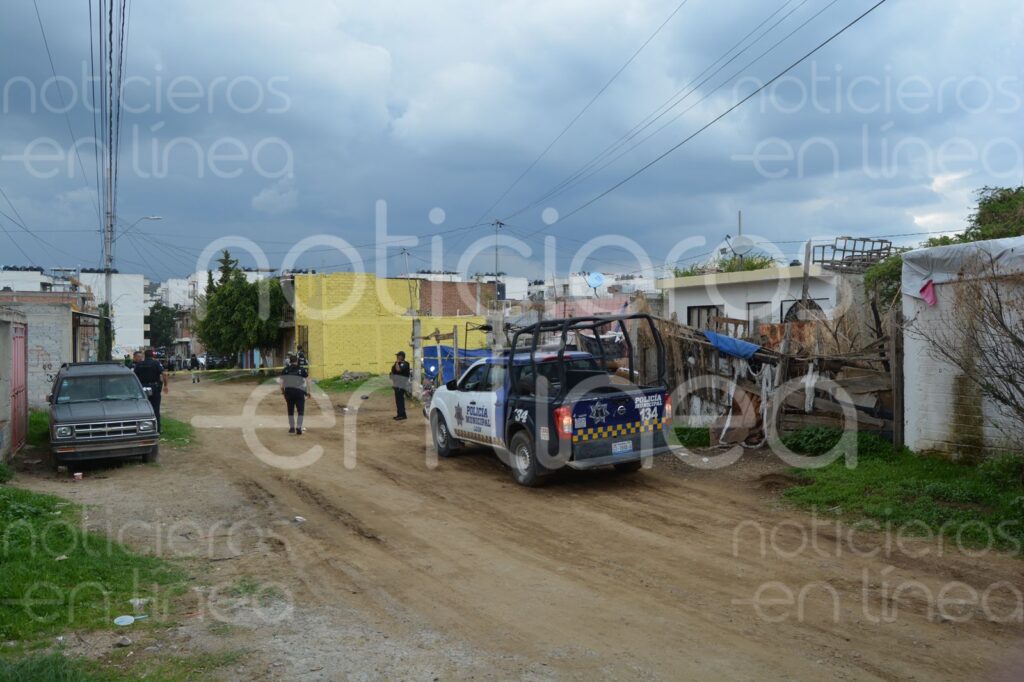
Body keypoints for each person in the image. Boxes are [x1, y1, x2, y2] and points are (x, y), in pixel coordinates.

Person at [134, 349, 168, 431]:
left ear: (145, 355)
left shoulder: (139, 364)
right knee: (156, 409)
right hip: (154, 388)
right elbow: (164, 373)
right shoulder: (156, 363)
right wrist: (165, 385)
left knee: (142, 409)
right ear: (152, 355)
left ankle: (144, 429)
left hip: (142, 389)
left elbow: (134, 376)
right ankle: (157, 429)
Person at [279, 354, 310, 434]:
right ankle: (299, 427)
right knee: (300, 411)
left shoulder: (285, 370)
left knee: (290, 410)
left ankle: (292, 428)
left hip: (289, 392)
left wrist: (283, 392)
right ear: (297, 361)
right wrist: (308, 392)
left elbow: (281, 384)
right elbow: (308, 381)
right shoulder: (301, 369)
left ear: (290, 361)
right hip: (299, 391)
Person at [390, 351, 411, 421]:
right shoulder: (398, 364)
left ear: (401, 356)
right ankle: (400, 414)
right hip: (397, 384)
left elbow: (398, 370)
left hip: (401, 384)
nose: (397, 357)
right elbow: (392, 371)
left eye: (398, 355)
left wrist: (396, 363)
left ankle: (402, 415)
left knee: (400, 400)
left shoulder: (405, 364)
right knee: (398, 400)